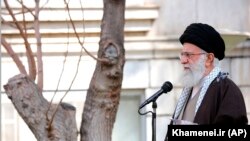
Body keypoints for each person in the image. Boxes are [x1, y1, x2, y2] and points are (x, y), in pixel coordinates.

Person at [165, 23, 248, 140]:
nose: (183, 60)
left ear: (209, 59)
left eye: (189, 55)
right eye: (182, 54)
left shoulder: (227, 90)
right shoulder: (189, 89)